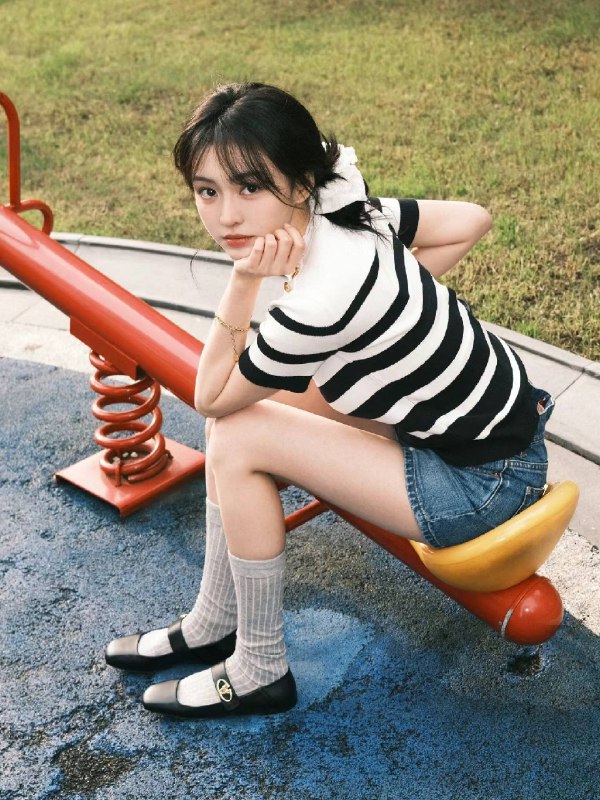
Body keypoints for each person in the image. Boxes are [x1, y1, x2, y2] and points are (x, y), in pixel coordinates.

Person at [105, 82, 553, 719]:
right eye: (207, 191)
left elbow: (211, 395)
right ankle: (214, 619)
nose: (226, 216)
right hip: (498, 434)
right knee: (243, 424)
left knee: (236, 432)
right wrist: (390, 310)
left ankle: (259, 666)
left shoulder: (321, 300)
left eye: (250, 187)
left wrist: (244, 281)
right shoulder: (351, 209)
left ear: (302, 180)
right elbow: (470, 220)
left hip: (480, 484)